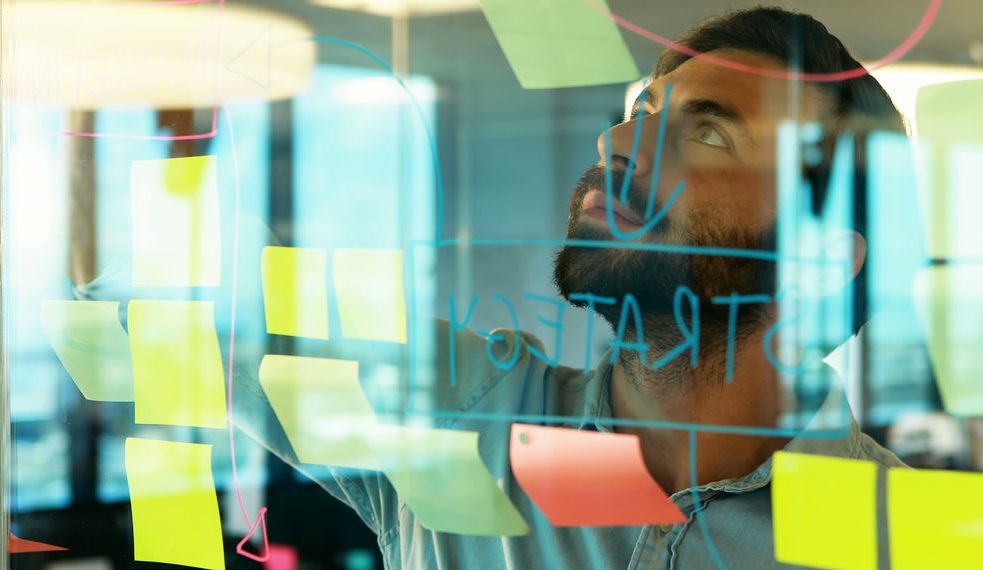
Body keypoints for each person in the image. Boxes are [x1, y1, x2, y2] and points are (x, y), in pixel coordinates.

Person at [233, 6, 908, 569]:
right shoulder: (458, 418)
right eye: (640, 112)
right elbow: (200, 309)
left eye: (708, 132)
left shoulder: (908, 544)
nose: (616, 140)